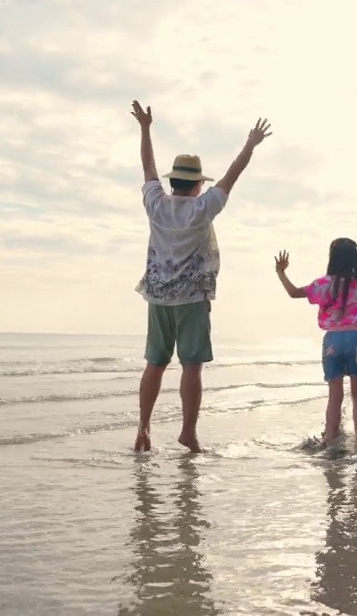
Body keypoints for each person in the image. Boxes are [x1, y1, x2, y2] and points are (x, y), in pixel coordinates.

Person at [131, 100, 272, 453]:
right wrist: (250, 144)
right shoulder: (202, 208)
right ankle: (188, 432)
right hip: (192, 298)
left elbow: (147, 168)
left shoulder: (156, 205)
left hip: (157, 296)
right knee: (191, 365)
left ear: (173, 182)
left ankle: (143, 429)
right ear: (195, 185)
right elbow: (232, 175)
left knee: (155, 362)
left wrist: (145, 129)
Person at [274, 239, 357, 447]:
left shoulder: (325, 284)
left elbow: (294, 292)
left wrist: (281, 273)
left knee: (335, 395)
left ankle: (330, 439)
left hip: (332, 340)